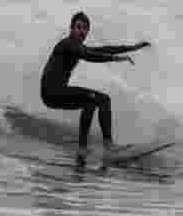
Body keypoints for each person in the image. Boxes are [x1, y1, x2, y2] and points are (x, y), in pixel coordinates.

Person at [40, 12, 150, 166]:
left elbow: (103, 49)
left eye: (85, 28)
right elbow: (90, 55)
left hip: (52, 94)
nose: (82, 31)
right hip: (52, 91)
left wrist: (132, 47)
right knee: (103, 99)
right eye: (78, 27)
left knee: (90, 103)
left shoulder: (77, 46)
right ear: (71, 29)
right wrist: (114, 59)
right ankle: (108, 145)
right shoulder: (68, 44)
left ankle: (82, 148)